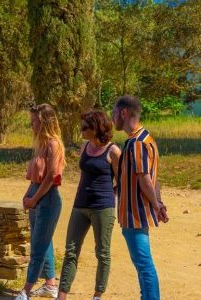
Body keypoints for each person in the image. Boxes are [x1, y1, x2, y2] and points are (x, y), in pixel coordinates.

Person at [57, 110, 121, 300]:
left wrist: (109, 196)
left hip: (102, 208)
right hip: (80, 206)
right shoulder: (85, 147)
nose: (81, 130)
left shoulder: (113, 151)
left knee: (102, 252)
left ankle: (97, 295)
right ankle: (61, 295)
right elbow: (84, 175)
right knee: (70, 250)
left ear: (97, 128)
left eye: (85, 127)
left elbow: (121, 181)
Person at [112, 95, 168, 300]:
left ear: (124, 113)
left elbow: (145, 179)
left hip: (135, 215)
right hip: (137, 213)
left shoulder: (136, 143)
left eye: (114, 113)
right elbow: (155, 179)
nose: (113, 118)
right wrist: (159, 203)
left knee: (144, 265)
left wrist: (155, 203)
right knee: (143, 265)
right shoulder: (146, 139)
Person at [15, 104, 66, 300]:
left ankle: (25, 291)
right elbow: (36, 177)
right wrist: (28, 195)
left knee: (37, 247)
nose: (31, 125)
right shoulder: (41, 144)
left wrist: (34, 198)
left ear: (44, 122)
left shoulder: (54, 144)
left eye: (34, 121)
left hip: (48, 199)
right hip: (37, 196)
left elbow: (52, 176)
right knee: (45, 243)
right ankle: (50, 284)